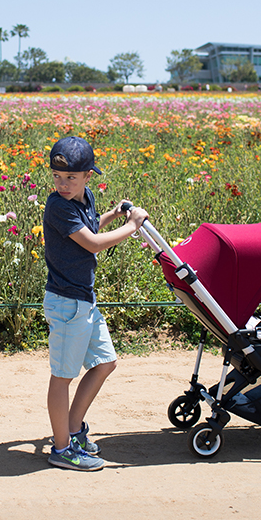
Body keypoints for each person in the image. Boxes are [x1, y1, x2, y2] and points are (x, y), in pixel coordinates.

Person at [42, 136, 148, 471]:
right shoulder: (58, 205)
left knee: (105, 362)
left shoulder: (83, 198)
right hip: (66, 302)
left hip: (84, 300)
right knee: (62, 377)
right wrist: (132, 227)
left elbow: (88, 227)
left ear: (89, 176)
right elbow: (91, 244)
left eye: (71, 178)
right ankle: (61, 449)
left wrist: (114, 215)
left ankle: (73, 430)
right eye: (57, 177)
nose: (63, 184)